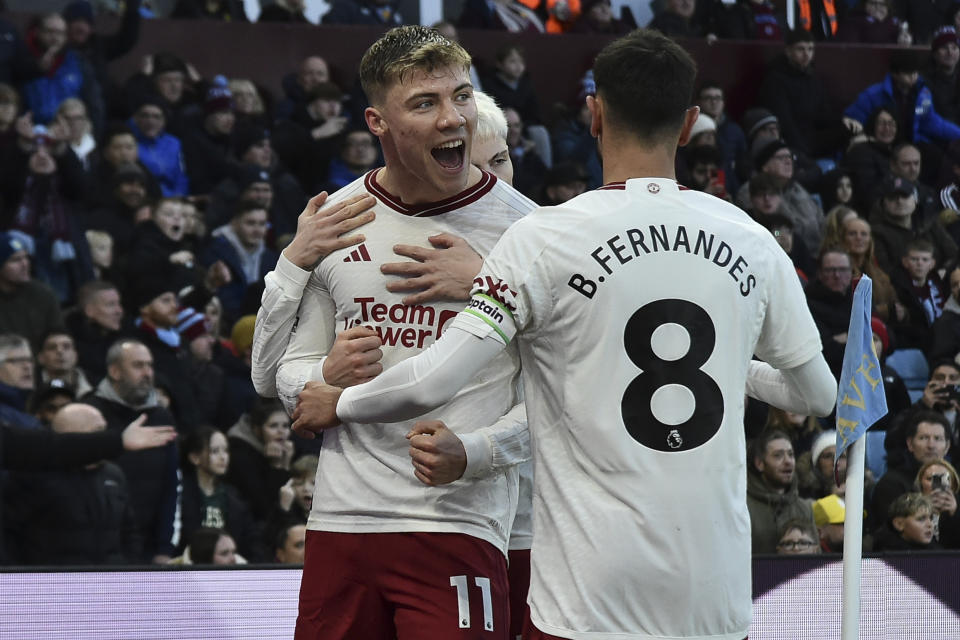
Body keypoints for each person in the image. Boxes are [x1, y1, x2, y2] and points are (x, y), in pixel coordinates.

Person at [289, 28, 837, 639]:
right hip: (713, 590)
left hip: (588, 591)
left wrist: (341, 401)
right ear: (689, 126)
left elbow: (434, 379)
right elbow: (817, 396)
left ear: (594, 114)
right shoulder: (752, 240)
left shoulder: (544, 238)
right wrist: (738, 368)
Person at [267, 26, 537, 640]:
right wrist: (319, 381)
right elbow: (286, 373)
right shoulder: (335, 220)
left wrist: (475, 455)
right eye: (425, 103)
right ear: (376, 122)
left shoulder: (530, 235)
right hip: (342, 519)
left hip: (458, 519)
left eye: (462, 97)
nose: (453, 118)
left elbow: (560, 394)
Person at [3, 402, 141, 565]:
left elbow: (129, 533)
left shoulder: (114, 475)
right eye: (97, 433)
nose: (103, 438)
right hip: (52, 583)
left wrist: (129, 568)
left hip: (109, 582)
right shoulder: (32, 476)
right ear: (70, 437)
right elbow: (11, 535)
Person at [82, 338, 181, 562]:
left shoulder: (162, 417)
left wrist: (164, 548)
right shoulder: (90, 412)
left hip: (147, 548)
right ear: (115, 371)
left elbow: (171, 486)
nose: (147, 373)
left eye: (150, 365)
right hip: (97, 550)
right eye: (138, 365)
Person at [179, 426, 263, 561]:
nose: (223, 457)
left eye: (225, 450)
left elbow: (250, 537)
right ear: (195, 457)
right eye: (215, 451)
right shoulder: (180, 494)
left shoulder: (233, 496)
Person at [872, 410, 951, 529]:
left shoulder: (956, 482)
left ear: (947, 446)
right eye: (924, 438)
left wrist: (955, 513)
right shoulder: (890, 484)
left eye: (938, 439)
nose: (931, 445)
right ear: (910, 444)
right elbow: (889, 532)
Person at [747, 430, 818, 553]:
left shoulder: (804, 508)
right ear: (759, 463)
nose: (788, 461)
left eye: (791, 454)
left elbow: (816, 555)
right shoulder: (743, 506)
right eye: (778, 455)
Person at [0, 232, 64, 353]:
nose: (25, 264)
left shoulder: (43, 294)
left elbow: (57, 335)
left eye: (26, 257)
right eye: (15, 260)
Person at [914, 457, 960, 548]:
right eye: (930, 478)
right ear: (920, 483)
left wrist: (955, 514)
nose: (936, 484)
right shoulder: (910, 507)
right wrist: (925, 511)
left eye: (944, 479)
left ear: (953, 484)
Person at [872, 492, 940, 550]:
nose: (930, 525)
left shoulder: (936, 550)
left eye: (931, 518)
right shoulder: (884, 559)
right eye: (921, 519)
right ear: (899, 524)